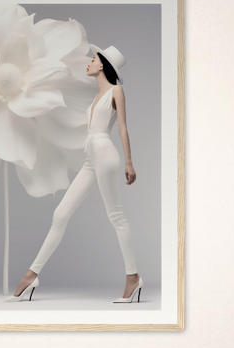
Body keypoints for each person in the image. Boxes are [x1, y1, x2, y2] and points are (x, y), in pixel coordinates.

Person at [11, 44, 142, 304]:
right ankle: (31, 275)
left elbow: (123, 129)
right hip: (90, 157)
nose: (88, 62)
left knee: (115, 215)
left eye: (92, 58)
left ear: (103, 64)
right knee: (60, 214)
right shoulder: (96, 97)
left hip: (105, 153)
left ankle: (133, 278)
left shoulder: (117, 91)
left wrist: (129, 162)